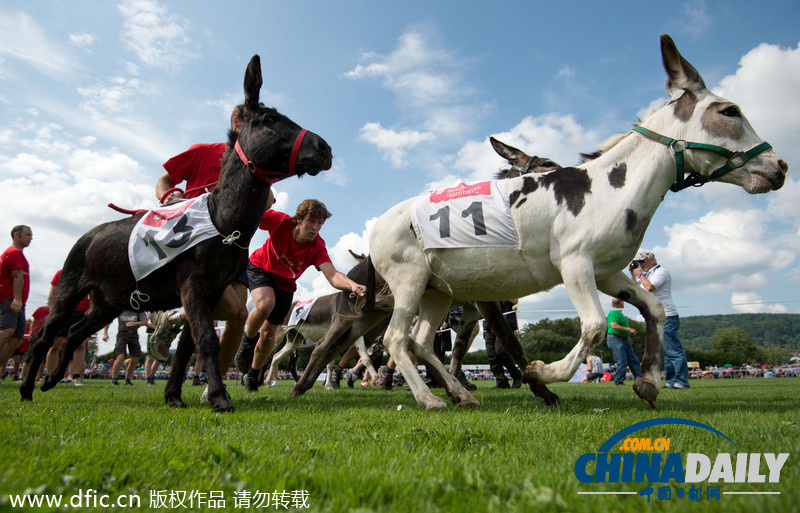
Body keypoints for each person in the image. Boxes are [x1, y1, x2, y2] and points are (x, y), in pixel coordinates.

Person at [150, 105, 249, 385]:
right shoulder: (203, 151)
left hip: (234, 246)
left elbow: (266, 204)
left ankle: (209, 379)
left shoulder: (253, 165)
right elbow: (164, 180)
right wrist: (169, 197)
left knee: (239, 313)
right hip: (198, 242)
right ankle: (179, 319)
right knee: (227, 307)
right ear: (236, 123)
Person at [238, 199, 367, 391]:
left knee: (267, 335)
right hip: (260, 269)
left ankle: (253, 374)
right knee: (265, 304)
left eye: (320, 223)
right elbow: (249, 215)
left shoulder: (317, 246)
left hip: (286, 284)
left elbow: (332, 275)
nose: (316, 227)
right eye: (311, 221)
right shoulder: (280, 221)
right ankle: (247, 342)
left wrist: (352, 285)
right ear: (299, 219)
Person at [630, 250, 690, 389]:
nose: (641, 265)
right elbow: (637, 290)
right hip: (656, 317)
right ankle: (671, 380)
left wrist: (639, 274)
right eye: (639, 263)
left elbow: (649, 287)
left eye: (643, 262)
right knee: (665, 352)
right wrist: (633, 275)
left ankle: (681, 381)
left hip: (667, 315)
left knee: (674, 350)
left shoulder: (661, 272)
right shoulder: (646, 275)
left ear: (652, 260)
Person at [0, 225, 33, 375]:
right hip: (10, 299)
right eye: (27, 234)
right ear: (16, 235)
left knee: (17, 338)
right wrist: (17, 299)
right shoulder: (13, 253)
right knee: (7, 330)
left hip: (20, 303)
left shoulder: (19, 254)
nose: (30, 238)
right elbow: (17, 276)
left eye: (31, 235)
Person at [105, 311, 153, 385]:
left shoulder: (138, 309)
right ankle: (114, 380)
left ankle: (127, 380)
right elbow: (108, 320)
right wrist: (105, 333)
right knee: (120, 356)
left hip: (134, 334)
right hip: (122, 334)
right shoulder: (120, 309)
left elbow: (144, 322)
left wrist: (135, 323)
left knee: (134, 359)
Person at [484, 300, 522, 389]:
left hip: (505, 321)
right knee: (491, 355)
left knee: (501, 351)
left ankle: (517, 376)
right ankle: (501, 382)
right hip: (489, 324)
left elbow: (515, 300)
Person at [606, 298, 641, 386]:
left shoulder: (618, 313)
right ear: (621, 303)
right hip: (616, 339)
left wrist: (626, 337)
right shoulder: (614, 312)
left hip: (622, 339)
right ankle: (618, 381)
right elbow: (613, 325)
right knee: (622, 361)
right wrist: (629, 329)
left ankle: (640, 378)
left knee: (633, 360)